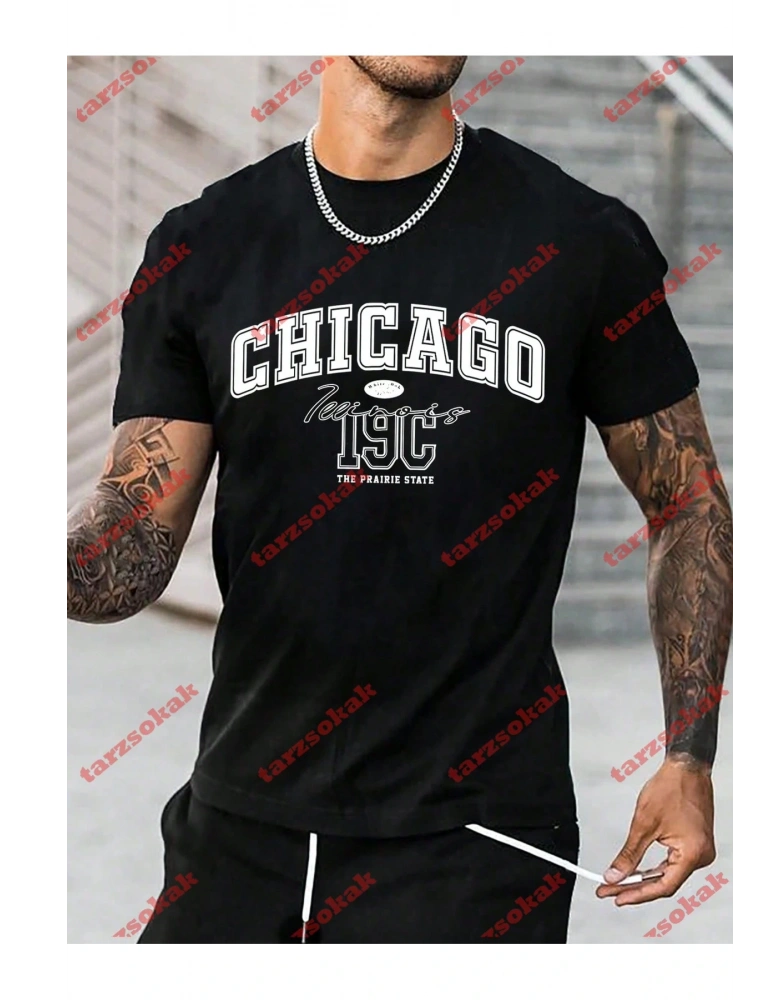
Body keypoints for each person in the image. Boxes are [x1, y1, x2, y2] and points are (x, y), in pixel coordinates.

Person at [65, 55, 734, 943]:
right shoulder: (206, 242)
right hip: (241, 822)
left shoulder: (578, 239)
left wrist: (689, 754)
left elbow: (687, 501)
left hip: (477, 837)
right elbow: (135, 535)